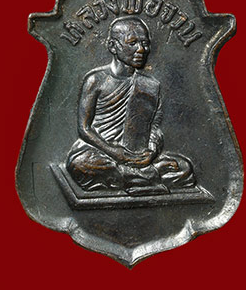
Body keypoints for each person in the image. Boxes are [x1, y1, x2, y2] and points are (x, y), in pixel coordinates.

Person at [66, 16, 194, 193]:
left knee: (184, 167)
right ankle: (147, 177)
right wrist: (115, 152)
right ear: (113, 46)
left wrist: (151, 151)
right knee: (80, 164)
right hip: (101, 151)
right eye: (132, 43)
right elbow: (84, 128)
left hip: (138, 153)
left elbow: (154, 127)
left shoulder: (150, 85)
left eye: (145, 43)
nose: (141, 49)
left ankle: (135, 177)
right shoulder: (96, 80)